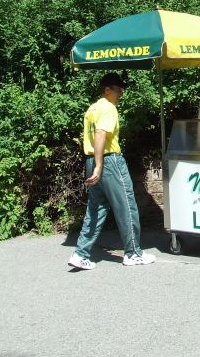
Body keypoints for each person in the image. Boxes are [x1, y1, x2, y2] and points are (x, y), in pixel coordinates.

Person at [68, 73, 155, 269]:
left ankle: (80, 254)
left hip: (91, 159)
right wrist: (100, 165)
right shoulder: (108, 108)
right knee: (127, 206)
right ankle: (133, 253)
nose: (121, 93)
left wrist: (95, 164)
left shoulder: (92, 109)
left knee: (95, 209)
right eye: (118, 89)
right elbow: (100, 134)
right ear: (107, 90)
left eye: (122, 89)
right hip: (109, 161)